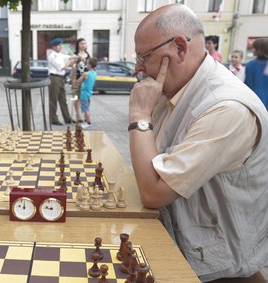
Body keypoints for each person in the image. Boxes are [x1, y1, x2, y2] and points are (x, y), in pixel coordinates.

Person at [129, 4, 268, 282]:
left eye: (144, 56)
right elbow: (150, 166)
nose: (138, 68)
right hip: (182, 248)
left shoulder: (227, 109)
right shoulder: (175, 89)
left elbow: (153, 192)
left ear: (180, 47)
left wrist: (139, 116)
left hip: (219, 271)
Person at [47, 37, 76, 126]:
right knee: (54, 99)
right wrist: (70, 63)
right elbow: (60, 67)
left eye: (61, 45)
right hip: (54, 78)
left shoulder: (60, 55)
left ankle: (67, 118)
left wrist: (78, 57)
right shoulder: (52, 56)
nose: (61, 47)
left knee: (63, 99)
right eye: (59, 45)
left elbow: (70, 57)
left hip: (61, 78)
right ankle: (53, 119)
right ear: (54, 47)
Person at [71, 38, 91, 123]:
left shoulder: (88, 55)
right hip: (77, 78)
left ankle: (85, 114)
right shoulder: (74, 54)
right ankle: (78, 114)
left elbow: (91, 67)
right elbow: (72, 67)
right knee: (77, 97)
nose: (83, 45)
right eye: (81, 43)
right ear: (78, 45)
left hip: (87, 79)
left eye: (84, 43)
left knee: (86, 97)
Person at [245, 38, 268, 109]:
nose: (252, 50)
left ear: (259, 49)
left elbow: (247, 84)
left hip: (253, 100)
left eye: (254, 48)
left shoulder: (249, 65)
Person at [76, 57, 98, 129]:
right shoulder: (94, 73)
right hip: (89, 93)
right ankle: (86, 121)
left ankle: (88, 123)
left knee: (86, 110)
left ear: (90, 65)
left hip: (84, 94)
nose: (86, 65)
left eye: (87, 63)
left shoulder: (85, 74)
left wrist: (80, 76)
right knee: (87, 107)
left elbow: (78, 81)